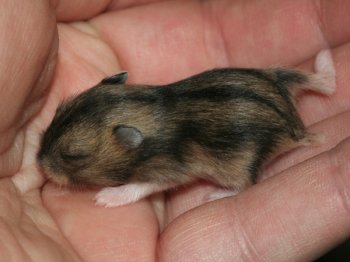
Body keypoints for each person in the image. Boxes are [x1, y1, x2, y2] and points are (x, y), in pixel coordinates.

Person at [1, 0, 349, 261]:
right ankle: (315, 82)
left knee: (235, 164)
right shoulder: (143, 118)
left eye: (74, 156)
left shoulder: (162, 149)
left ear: (128, 141)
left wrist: (132, 191)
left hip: (256, 131)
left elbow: (171, 172)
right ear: (115, 83)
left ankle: (244, 182)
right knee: (266, 80)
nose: (51, 163)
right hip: (262, 90)